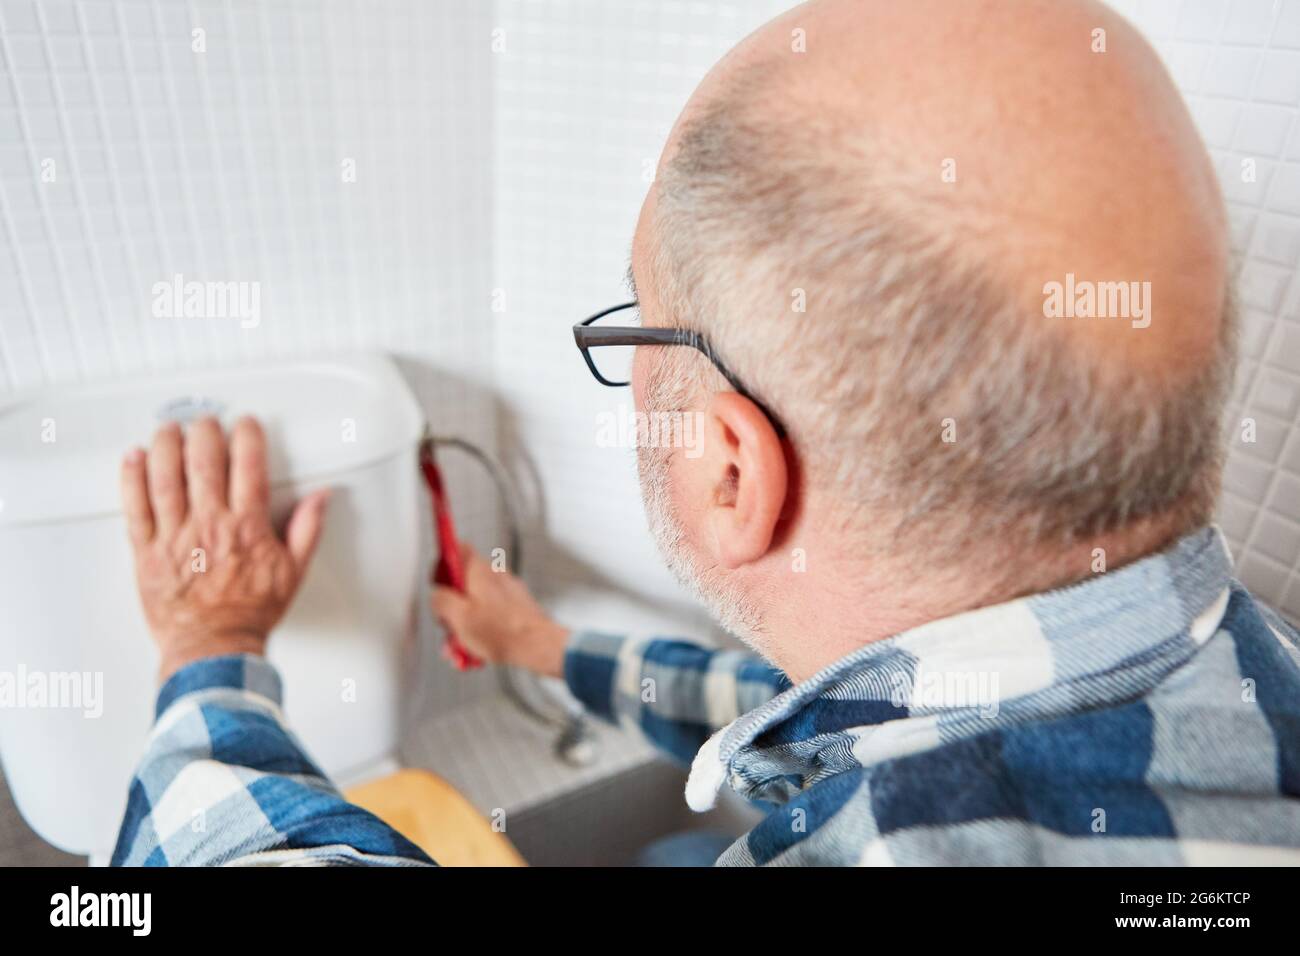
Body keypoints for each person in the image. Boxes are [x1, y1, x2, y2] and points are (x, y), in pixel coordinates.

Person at [113, 0, 1300, 866]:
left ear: (735, 466)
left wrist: (208, 635)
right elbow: (877, 699)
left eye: (644, 325)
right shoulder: (1249, 673)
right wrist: (545, 648)